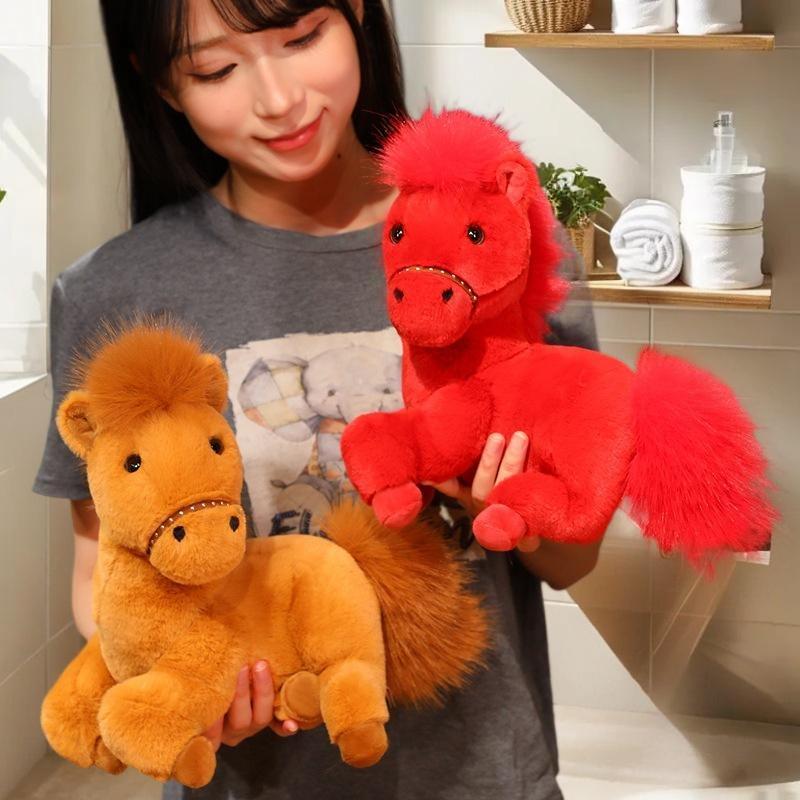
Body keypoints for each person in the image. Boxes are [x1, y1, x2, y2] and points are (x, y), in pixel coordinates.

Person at [32, 1, 602, 798]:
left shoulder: (500, 243)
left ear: (358, 10)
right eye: (215, 68)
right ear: (158, 82)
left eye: (301, 38)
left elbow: (575, 561)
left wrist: (502, 506)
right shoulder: (115, 292)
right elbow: (104, 572)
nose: (279, 99)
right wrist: (185, 679)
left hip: (484, 773)